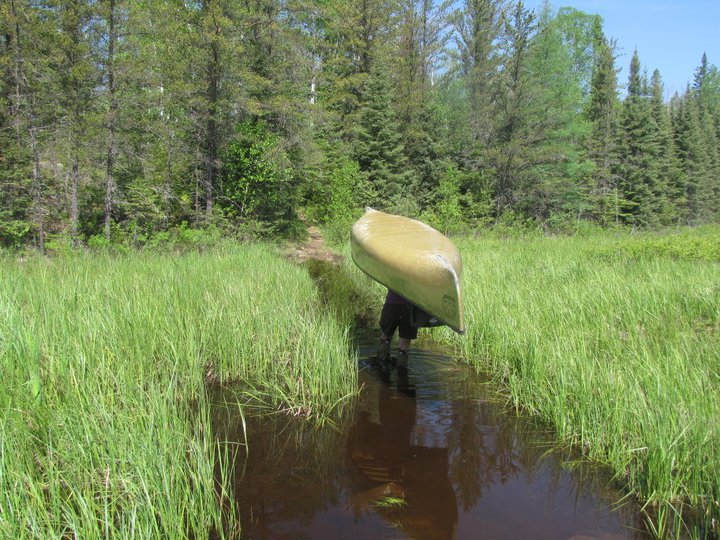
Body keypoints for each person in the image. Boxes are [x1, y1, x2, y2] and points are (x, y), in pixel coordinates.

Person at [377, 289, 418, 366]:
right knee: (404, 344)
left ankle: (381, 365)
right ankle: (401, 372)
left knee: (385, 338)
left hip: (392, 304)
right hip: (410, 307)